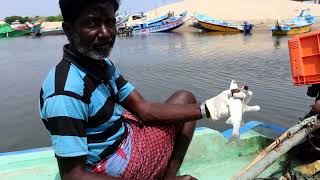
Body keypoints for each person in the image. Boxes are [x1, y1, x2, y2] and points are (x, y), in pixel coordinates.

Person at [39, 0, 258, 179]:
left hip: (119, 134)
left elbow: (143, 108)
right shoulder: (65, 92)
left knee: (186, 99)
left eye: (110, 23)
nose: (105, 33)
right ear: (69, 29)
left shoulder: (100, 65)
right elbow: (73, 176)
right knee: (185, 101)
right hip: (111, 162)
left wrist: (207, 109)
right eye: (92, 24)